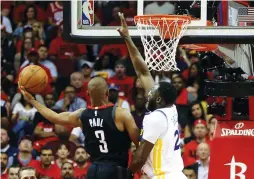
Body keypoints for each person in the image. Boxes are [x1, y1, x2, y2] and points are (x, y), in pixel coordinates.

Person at [19, 75, 140, 179]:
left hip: (93, 170)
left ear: (88, 94)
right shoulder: (121, 113)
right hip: (115, 169)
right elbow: (139, 144)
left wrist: (32, 100)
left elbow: (54, 117)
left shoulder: (82, 115)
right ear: (107, 93)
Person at [118, 12, 186, 179]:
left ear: (158, 99)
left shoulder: (155, 117)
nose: (147, 94)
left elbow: (140, 157)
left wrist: (127, 173)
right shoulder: (171, 109)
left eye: (151, 93)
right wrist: (127, 38)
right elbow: (143, 72)